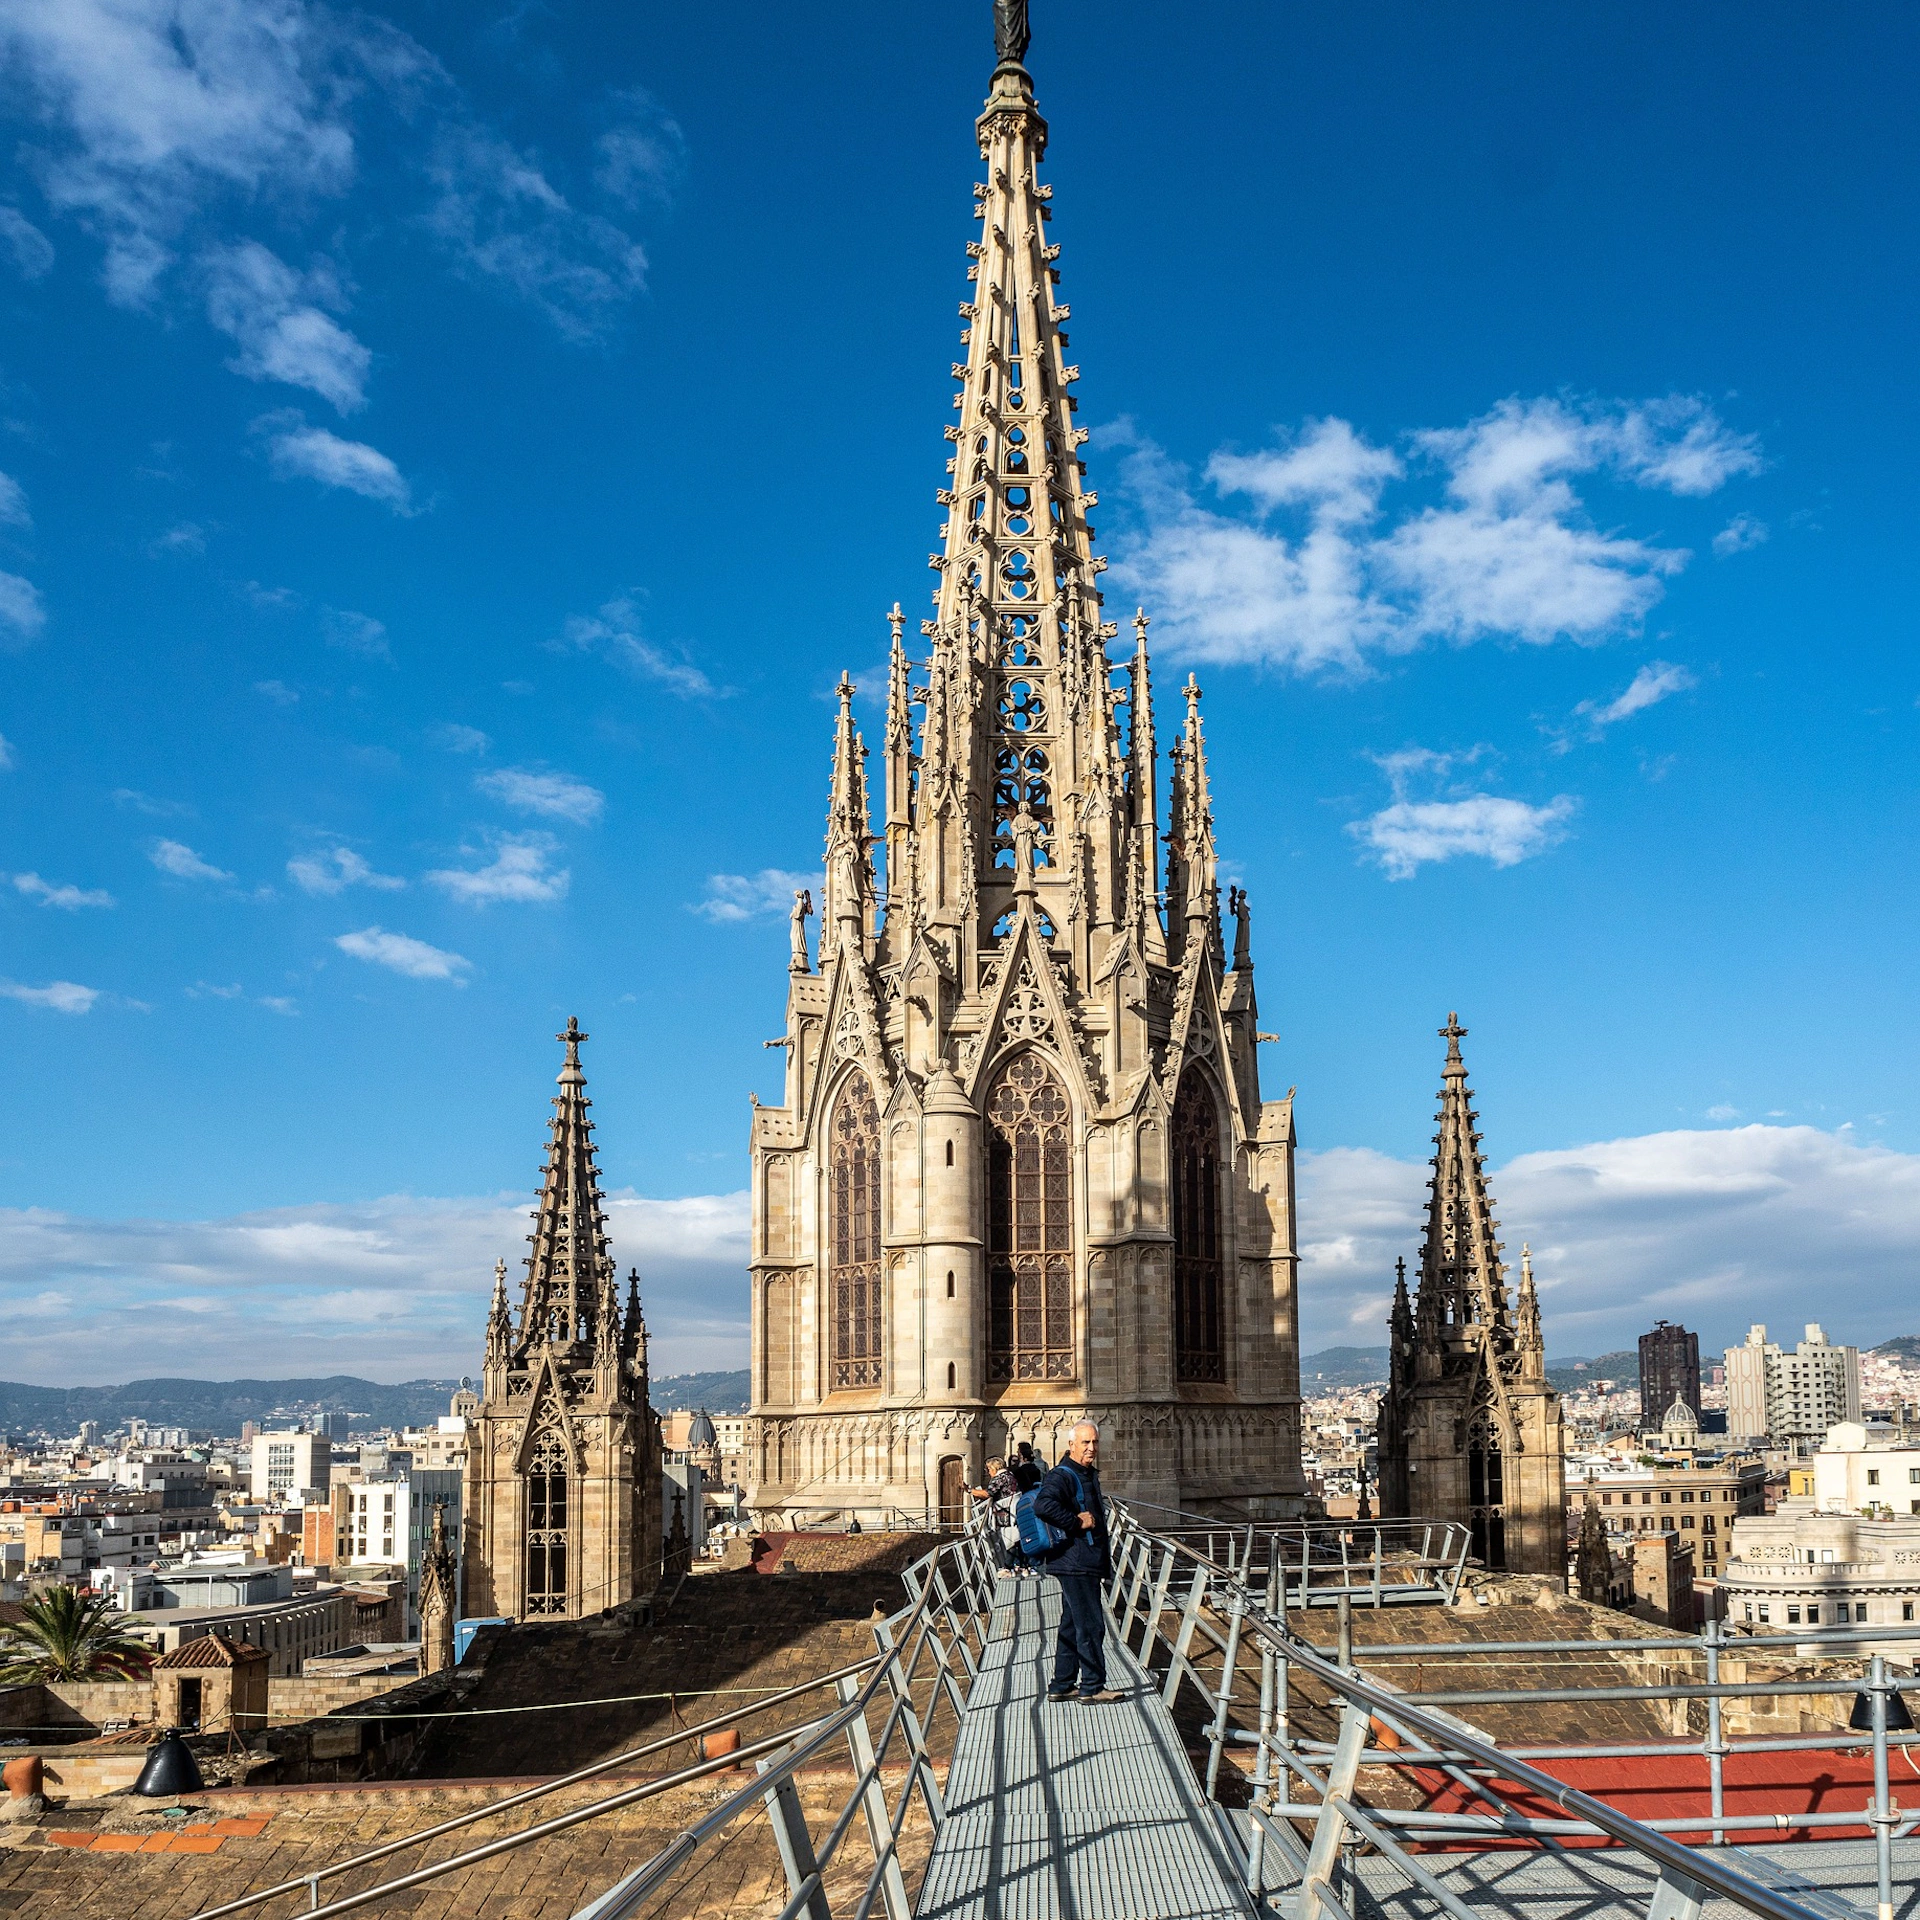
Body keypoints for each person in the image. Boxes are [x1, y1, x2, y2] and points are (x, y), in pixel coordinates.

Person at [1034, 1420, 1119, 1703]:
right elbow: (1043, 1505)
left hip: (1080, 1560)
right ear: (1071, 1445)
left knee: (1072, 1624)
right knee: (1091, 1624)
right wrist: (1074, 1522)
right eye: (1085, 1442)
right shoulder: (1063, 1475)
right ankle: (1093, 1687)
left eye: (1095, 1442)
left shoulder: (1084, 1473)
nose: (1092, 1448)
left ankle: (1061, 1684)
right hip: (1076, 1561)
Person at [969, 1456, 1022, 1576]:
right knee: (1014, 1537)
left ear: (994, 1467)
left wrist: (970, 1491)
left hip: (1004, 1511)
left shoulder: (999, 1478)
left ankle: (1007, 1566)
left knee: (1007, 1537)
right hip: (1013, 1509)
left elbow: (988, 1494)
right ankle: (1017, 1565)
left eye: (988, 1468)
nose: (988, 1472)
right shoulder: (1010, 1475)